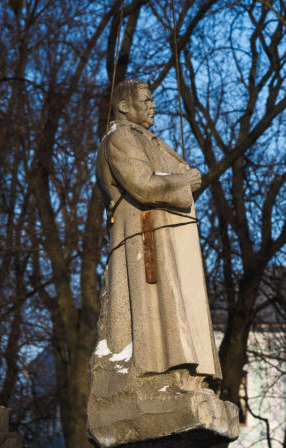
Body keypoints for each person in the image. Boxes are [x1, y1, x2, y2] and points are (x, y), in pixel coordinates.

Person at [93, 79, 221, 381]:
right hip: (146, 233)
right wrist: (184, 183)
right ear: (124, 106)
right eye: (147, 100)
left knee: (176, 304)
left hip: (166, 233)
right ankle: (165, 370)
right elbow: (145, 185)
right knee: (156, 308)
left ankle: (184, 370)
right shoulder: (121, 138)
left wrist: (185, 180)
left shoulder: (144, 138)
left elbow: (173, 175)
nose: (154, 105)